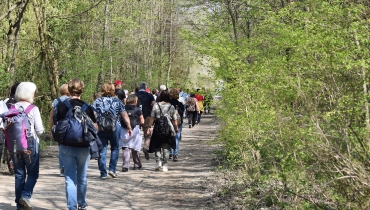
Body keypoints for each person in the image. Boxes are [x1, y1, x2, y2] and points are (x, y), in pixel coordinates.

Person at [55, 79, 97, 210]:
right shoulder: (88, 107)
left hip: (66, 146)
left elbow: (57, 125)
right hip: (83, 146)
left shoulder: (61, 106)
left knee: (69, 178)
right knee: (82, 178)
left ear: (69, 89)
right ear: (82, 90)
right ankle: (82, 204)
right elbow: (95, 127)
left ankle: (72, 207)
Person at [9, 82, 44, 210]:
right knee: (33, 173)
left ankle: (19, 206)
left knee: (19, 174)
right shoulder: (33, 109)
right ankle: (25, 195)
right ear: (30, 93)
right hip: (30, 146)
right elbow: (39, 130)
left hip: (13, 146)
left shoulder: (12, 108)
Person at [93, 83, 132, 179]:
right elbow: (124, 115)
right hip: (115, 127)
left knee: (102, 149)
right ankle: (112, 169)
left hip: (101, 127)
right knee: (115, 148)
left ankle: (103, 173)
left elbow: (93, 115)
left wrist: (94, 127)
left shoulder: (97, 101)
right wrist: (129, 126)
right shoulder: (117, 101)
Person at [147, 90, 178, 172]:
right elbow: (175, 119)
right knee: (166, 147)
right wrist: (176, 128)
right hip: (168, 128)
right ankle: (165, 165)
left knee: (157, 145)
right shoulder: (171, 107)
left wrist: (149, 127)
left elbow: (152, 117)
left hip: (158, 127)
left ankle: (158, 162)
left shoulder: (156, 106)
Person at [49, 84, 70, 177]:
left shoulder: (56, 101)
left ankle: (62, 168)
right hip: (70, 127)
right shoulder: (73, 101)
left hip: (59, 127)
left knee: (61, 148)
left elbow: (51, 117)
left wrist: (50, 130)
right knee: (70, 147)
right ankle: (70, 167)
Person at [120, 94, 144, 172]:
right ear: (135, 101)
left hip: (124, 129)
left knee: (125, 147)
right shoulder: (138, 109)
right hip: (135, 129)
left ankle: (125, 166)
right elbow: (142, 121)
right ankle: (136, 164)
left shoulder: (123, 108)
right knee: (135, 147)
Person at [3, 82, 21, 175]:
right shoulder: (21, 102)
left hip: (7, 127)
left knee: (8, 146)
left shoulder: (6, 100)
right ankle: (17, 164)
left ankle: (10, 165)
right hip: (19, 127)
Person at [135, 82, 156, 160]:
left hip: (136, 116)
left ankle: (135, 151)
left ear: (139, 87)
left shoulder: (134, 95)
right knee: (147, 134)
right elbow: (154, 104)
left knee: (135, 133)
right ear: (145, 87)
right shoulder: (149, 95)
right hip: (147, 115)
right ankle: (145, 146)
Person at [169, 88, 184, 161]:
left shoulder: (168, 104)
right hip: (178, 122)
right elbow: (181, 114)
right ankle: (175, 153)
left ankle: (170, 153)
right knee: (177, 138)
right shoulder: (180, 104)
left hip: (169, 122)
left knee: (169, 137)